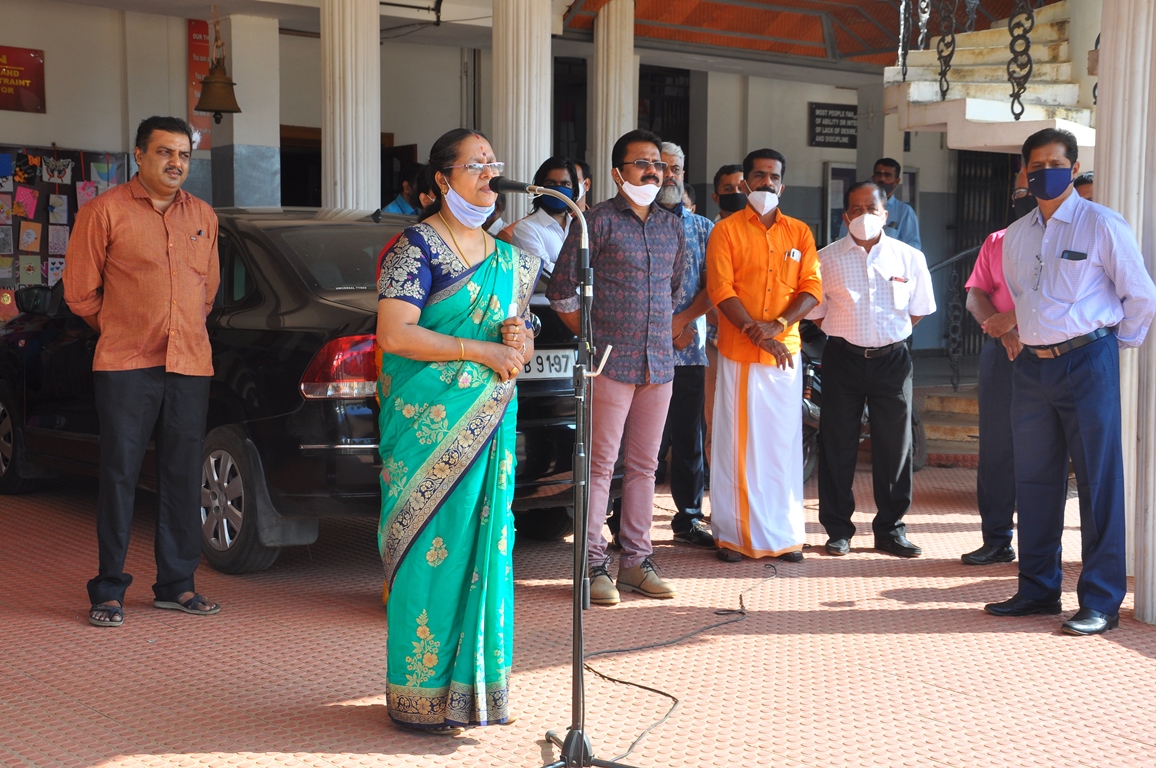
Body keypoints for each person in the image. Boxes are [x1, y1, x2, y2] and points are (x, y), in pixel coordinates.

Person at [375, 128, 541, 730]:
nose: (488, 177)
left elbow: (516, 331)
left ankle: (474, 696)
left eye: (493, 166)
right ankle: (415, 699)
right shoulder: (413, 249)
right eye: (475, 167)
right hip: (426, 432)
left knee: (484, 550)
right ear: (442, 179)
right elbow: (395, 335)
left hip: (488, 426)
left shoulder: (513, 259)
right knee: (429, 554)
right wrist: (478, 350)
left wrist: (519, 340)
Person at [984, 128, 1156, 636]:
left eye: (1056, 162)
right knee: (1034, 480)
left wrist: (1111, 346)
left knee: (1098, 481)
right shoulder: (1016, 235)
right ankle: (1037, 589)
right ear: (1023, 172)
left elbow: (1140, 296)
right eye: (1035, 164)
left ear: (1073, 166)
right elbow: (1023, 297)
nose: (1045, 171)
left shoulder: (1102, 223)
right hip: (1032, 367)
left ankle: (1100, 599)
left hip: (1088, 363)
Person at [63, 116, 222, 627]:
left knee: (181, 475)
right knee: (120, 474)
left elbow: (208, 292)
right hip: (127, 363)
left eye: (183, 155)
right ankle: (108, 589)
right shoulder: (103, 212)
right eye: (164, 153)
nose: (176, 163)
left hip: (190, 363)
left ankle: (176, 585)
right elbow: (79, 293)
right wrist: (118, 322)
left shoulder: (203, 215)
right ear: (139, 155)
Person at [547, 129, 686, 605]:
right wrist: (592, 338)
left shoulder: (673, 226)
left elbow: (672, 289)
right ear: (616, 173)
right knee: (601, 465)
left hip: (658, 365)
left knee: (645, 467)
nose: (653, 171)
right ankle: (591, 565)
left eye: (658, 164)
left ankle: (635, 562)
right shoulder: (594, 223)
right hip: (608, 362)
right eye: (641, 163)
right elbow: (563, 291)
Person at [808, 181, 936, 559]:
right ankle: (837, 529)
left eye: (871, 208)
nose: (864, 216)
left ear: (886, 214)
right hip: (842, 359)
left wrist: (888, 335)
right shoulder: (824, 258)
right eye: (856, 209)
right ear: (845, 215)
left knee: (894, 447)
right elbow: (815, 312)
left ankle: (891, 530)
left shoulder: (908, 257)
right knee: (836, 444)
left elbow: (918, 309)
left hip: (892, 361)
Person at [707, 148, 822, 563]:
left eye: (774, 177)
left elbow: (812, 288)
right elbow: (722, 290)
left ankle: (785, 535)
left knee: (783, 445)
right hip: (740, 354)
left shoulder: (800, 233)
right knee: (740, 446)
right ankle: (734, 535)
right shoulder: (726, 231)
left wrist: (777, 327)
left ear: (783, 184)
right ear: (744, 184)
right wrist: (758, 333)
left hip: (785, 355)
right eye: (758, 176)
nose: (766, 183)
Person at [959, 168, 1034, 566]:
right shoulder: (996, 241)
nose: (1027, 193)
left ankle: (1040, 548)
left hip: (1048, 352)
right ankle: (996, 539)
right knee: (996, 449)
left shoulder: (1067, 239)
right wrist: (1001, 330)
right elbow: (975, 296)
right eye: (1020, 188)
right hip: (1001, 353)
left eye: (1032, 186)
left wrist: (1015, 321)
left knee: (1044, 451)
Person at [654, 142, 714, 548]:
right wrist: (665, 328)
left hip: (690, 350)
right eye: (662, 167)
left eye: (676, 167)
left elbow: (716, 287)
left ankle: (689, 518)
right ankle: (625, 521)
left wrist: (681, 322)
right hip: (641, 352)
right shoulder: (631, 222)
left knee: (689, 438)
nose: (670, 175)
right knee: (644, 443)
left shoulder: (704, 228)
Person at [704, 162, 746, 470]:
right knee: (717, 418)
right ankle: (721, 498)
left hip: (756, 341)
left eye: (740, 188)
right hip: (714, 341)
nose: (736, 194)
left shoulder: (762, 234)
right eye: (728, 189)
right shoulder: (708, 232)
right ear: (716, 197)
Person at [509, 156, 579, 270]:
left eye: (565, 184)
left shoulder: (581, 228)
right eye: (551, 183)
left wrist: (557, 265)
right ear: (539, 188)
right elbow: (545, 273)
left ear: (574, 189)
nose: (558, 190)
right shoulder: (526, 229)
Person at [838, 158, 922, 250]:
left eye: (887, 175)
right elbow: (843, 239)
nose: (882, 179)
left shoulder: (904, 211)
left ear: (896, 181)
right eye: (878, 174)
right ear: (873, 178)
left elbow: (913, 247)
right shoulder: (855, 208)